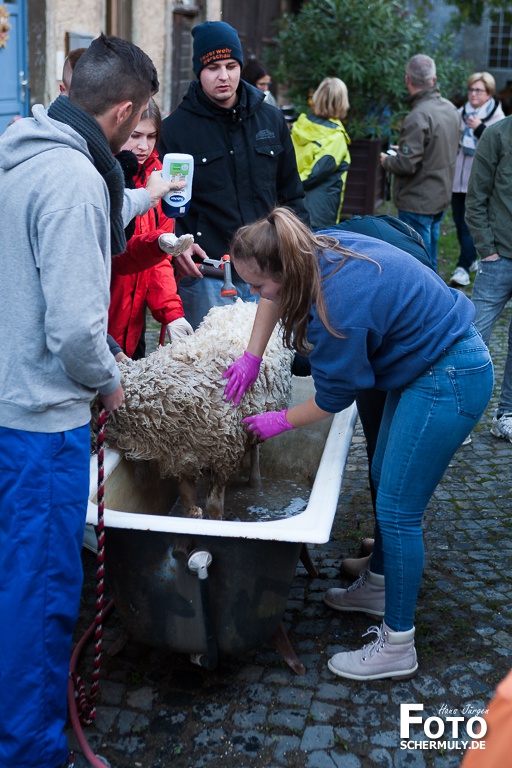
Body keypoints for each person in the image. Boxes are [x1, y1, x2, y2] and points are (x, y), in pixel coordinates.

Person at [223, 207, 493, 682]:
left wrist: (278, 421)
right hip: (426, 362)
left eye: (258, 285)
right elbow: (271, 294)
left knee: (398, 510)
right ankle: (380, 587)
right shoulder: (309, 248)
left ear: (283, 271)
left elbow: (333, 398)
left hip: (449, 375)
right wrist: (251, 355)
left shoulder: (337, 307)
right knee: (383, 476)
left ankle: (398, 645)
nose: (254, 294)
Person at [0, 33, 159, 768]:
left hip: (10, 400)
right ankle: (31, 753)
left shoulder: (25, 153)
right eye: (140, 116)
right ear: (123, 112)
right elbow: (73, 328)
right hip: (42, 422)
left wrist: (149, 201)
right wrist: (110, 380)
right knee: (41, 593)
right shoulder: (71, 180)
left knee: (16, 578)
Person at [157, 20, 308, 329]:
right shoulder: (175, 130)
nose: (224, 76)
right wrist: (176, 247)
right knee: (211, 360)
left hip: (271, 272)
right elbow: (162, 207)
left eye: (231, 65)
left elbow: (291, 194)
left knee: (270, 358)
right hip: (207, 278)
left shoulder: (271, 120)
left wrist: (304, 252)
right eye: (213, 67)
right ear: (198, 71)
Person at [109, 99, 193, 359]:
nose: (144, 146)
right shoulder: (101, 173)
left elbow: (158, 260)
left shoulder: (159, 175)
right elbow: (114, 256)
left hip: (133, 325)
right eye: (135, 136)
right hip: (100, 321)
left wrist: (172, 313)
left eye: (152, 136)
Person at [379, 54, 460, 271]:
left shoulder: (418, 116)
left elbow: (406, 165)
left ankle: (429, 293)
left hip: (417, 201)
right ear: (434, 79)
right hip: (440, 196)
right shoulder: (451, 109)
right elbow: (448, 147)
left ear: (407, 79)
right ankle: (436, 289)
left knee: (419, 264)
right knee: (430, 255)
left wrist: (387, 161)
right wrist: (407, 152)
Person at [465, 115, 512, 443]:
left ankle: (505, 415)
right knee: (471, 340)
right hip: (498, 259)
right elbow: (476, 197)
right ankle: (460, 418)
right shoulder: (497, 134)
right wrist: (487, 249)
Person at [449, 72, 505, 288]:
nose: (473, 94)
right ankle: (471, 258)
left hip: (481, 181)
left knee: (469, 224)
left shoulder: (498, 118)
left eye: (478, 90)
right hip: (457, 179)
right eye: (471, 90)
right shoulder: (459, 114)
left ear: (488, 93)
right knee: (458, 221)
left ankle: (462, 267)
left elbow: (499, 147)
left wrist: (480, 128)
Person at [291, 77, 351, 229]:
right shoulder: (336, 137)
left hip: (292, 207)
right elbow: (315, 174)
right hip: (319, 213)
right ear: (342, 102)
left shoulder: (300, 126)